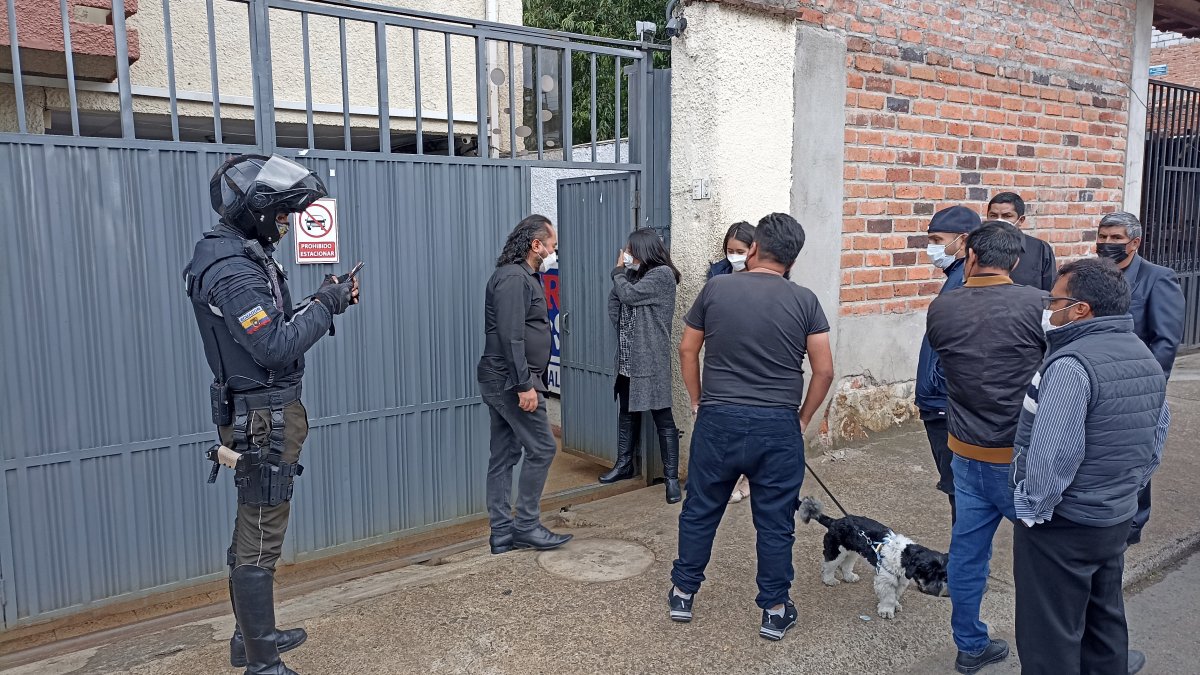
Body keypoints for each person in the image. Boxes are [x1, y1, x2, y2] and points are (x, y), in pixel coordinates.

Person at [184, 154, 360, 675]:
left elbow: (272, 326)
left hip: (265, 412)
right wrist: (327, 306)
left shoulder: (240, 256)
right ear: (255, 210)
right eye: (281, 215)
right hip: (264, 419)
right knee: (260, 533)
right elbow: (274, 346)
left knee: (256, 527)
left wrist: (326, 300)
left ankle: (252, 638)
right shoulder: (233, 269)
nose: (285, 225)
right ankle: (260, 660)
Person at [669, 213, 834, 642]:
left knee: (701, 508)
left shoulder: (716, 289)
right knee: (775, 521)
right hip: (777, 426)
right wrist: (801, 419)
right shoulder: (806, 301)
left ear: (755, 248)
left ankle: (683, 593)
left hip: (718, 419)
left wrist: (697, 399)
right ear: (792, 259)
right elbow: (824, 372)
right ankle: (775, 610)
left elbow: (688, 350)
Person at [1012, 257, 1168, 675]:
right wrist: (1124, 492)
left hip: (1065, 523)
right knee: (1104, 618)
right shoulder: (1144, 356)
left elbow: (1052, 455)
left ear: (1080, 309)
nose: (1048, 308)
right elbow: (1155, 440)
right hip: (1114, 515)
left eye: (1054, 300)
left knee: (1050, 633)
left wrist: (1034, 508)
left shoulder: (1071, 365)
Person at [926, 220, 1046, 674]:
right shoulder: (1039, 305)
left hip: (966, 451)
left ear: (970, 256)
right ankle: (1054, 649)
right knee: (1046, 557)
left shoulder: (943, 308)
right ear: (1014, 261)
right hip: (1022, 456)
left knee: (968, 552)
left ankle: (970, 645)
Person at [478, 215, 573, 555]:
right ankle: (527, 526)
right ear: (536, 245)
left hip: (507, 378)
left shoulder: (522, 276)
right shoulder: (513, 279)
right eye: (552, 246)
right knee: (544, 448)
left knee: (505, 454)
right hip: (510, 380)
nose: (553, 252)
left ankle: (502, 533)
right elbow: (511, 336)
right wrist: (523, 385)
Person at [1095, 211, 1185, 545]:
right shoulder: (1091, 275)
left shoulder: (1157, 278)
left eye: (1115, 238)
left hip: (1136, 387)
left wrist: (1149, 388)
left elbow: (1165, 340)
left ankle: (1133, 524)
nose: (1107, 244)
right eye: (1103, 237)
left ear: (1134, 242)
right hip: (1095, 381)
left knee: (1136, 456)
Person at [600, 229, 684, 504]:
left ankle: (671, 479)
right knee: (626, 411)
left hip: (651, 358)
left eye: (630, 251)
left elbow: (629, 296)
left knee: (662, 416)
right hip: (626, 357)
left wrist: (617, 272)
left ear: (644, 250)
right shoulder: (635, 276)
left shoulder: (662, 275)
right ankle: (624, 465)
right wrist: (622, 325)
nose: (627, 256)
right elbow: (617, 299)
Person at [916, 205, 981, 527]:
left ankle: (962, 570)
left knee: (960, 491)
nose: (932, 248)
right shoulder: (955, 277)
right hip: (939, 402)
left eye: (937, 239)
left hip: (944, 406)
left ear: (963, 240)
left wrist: (935, 389)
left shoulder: (962, 283)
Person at [704, 220, 757, 504]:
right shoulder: (717, 275)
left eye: (740, 250)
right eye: (729, 250)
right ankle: (730, 477)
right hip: (724, 357)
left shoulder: (768, 276)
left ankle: (747, 478)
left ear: (753, 250)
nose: (733, 256)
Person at [987, 192, 1056, 291]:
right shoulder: (977, 247)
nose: (999, 221)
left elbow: (1050, 291)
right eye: (993, 216)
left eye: (1007, 216)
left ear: (1021, 220)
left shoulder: (1040, 250)